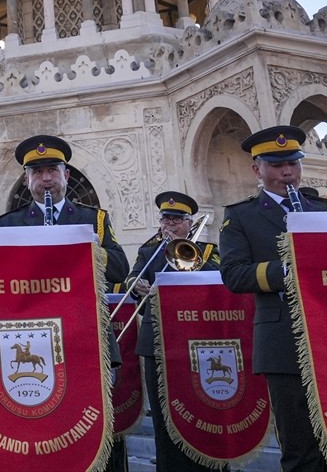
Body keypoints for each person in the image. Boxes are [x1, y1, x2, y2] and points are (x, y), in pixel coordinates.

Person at [219, 126, 327, 472]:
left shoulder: (324, 208)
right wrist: (287, 269)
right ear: (257, 170)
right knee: (300, 445)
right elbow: (234, 274)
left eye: (293, 163)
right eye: (276, 165)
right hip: (282, 338)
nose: (287, 172)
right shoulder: (241, 215)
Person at [127, 192, 222, 472]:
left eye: (177, 220)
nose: (170, 224)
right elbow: (133, 277)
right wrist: (136, 285)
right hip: (156, 342)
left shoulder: (206, 251)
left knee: (203, 408)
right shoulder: (149, 251)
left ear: (189, 223)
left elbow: (220, 282)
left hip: (196, 341)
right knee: (163, 413)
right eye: (165, 219)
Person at [0, 135, 129, 284]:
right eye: (37, 171)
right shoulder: (9, 223)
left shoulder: (94, 218)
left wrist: (93, 250)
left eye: (53, 169)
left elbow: (121, 271)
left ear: (66, 175)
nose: (46, 178)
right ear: (27, 180)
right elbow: (0, 276)